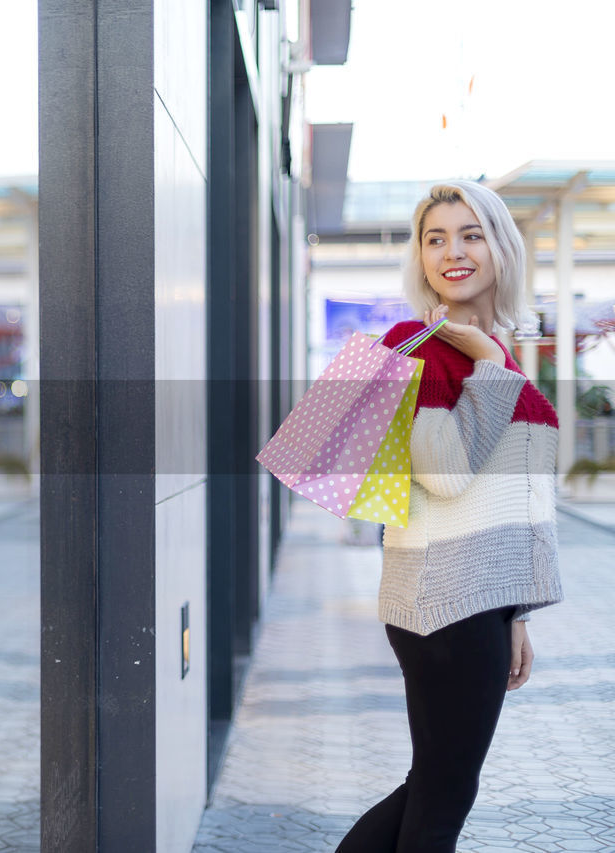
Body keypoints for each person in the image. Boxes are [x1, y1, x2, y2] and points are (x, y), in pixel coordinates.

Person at [336, 181, 564, 851]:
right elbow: (444, 469)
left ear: (501, 244)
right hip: (444, 601)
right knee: (442, 798)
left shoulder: (490, 344)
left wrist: (515, 612)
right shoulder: (420, 342)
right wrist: (492, 365)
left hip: (477, 601)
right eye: (435, 238)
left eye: (471, 234)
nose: (452, 251)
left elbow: (510, 495)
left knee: (433, 786)